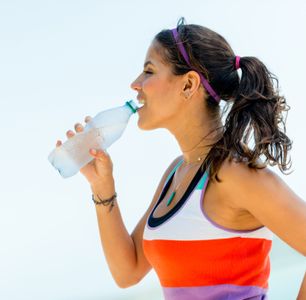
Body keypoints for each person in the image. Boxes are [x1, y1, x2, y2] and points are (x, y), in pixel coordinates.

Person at [56, 18, 306, 299]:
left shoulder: (235, 175)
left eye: (148, 71)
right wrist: (102, 187)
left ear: (188, 85)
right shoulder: (177, 172)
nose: (135, 84)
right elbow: (128, 271)